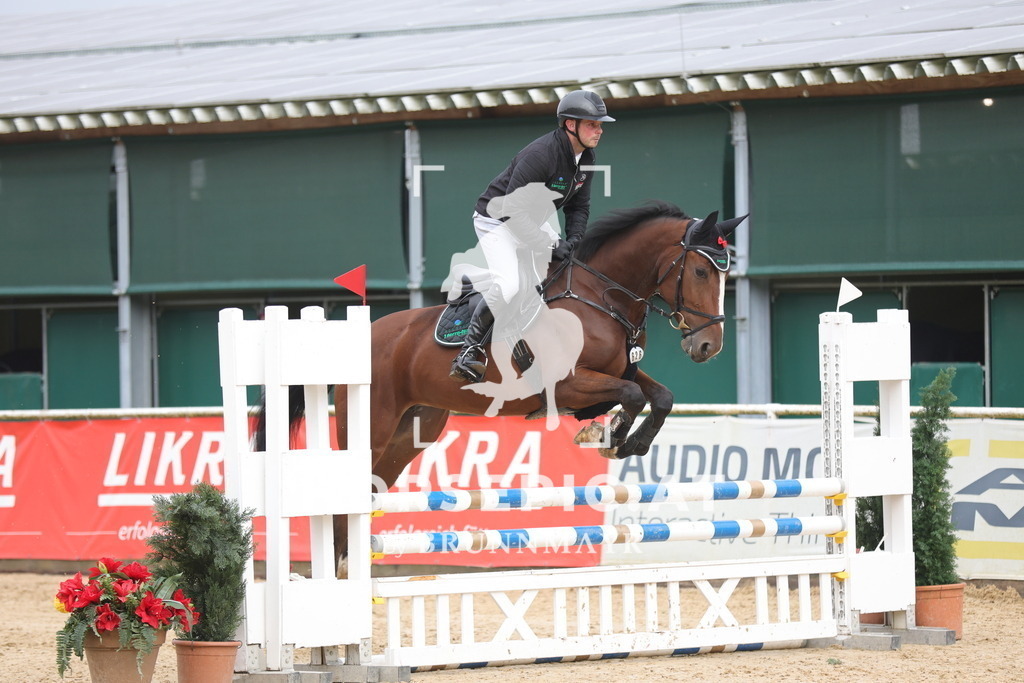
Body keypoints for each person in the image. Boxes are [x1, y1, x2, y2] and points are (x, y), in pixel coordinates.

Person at [449, 89, 615, 382]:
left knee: (563, 272)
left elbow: (579, 206)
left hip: (533, 219)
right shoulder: (541, 155)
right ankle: (470, 349)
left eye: (600, 125)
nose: (599, 131)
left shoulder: (587, 157)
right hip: (497, 220)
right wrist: (548, 244)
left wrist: (574, 242)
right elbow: (511, 212)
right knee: (511, 284)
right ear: (570, 125)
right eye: (592, 124)